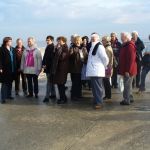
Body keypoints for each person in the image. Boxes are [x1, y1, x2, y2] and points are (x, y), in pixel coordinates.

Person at [86, 33, 109, 109]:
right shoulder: (93, 46)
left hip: (97, 70)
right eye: (92, 37)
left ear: (97, 38)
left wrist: (104, 66)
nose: (92, 39)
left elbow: (105, 58)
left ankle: (99, 102)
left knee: (98, 87)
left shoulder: (99, 46)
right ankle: (96, 100)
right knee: (94, 87)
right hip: (93, 70)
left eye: (94, 38)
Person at [119, 32, 137, 105]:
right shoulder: (126, 45)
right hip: (127, 69)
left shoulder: (129, 46)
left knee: (126, 85)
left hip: (128, 70)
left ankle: (126, 100)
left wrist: (127, 70)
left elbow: (131, 60)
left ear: (126, 37)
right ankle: (130, 98)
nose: (121, 38)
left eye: (122, 37)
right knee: (128, 85)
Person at [69, 36, 88, 101]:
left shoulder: (83, 48)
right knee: (75, 83)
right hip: (74, 68)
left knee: (80, 83)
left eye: (78, 40)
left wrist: (85, 59)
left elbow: (86, 57)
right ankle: (74, 96)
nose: (77, 42)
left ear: (81, 41)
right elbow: (70, 57)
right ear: (74, 41)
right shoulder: (72, 48)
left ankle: (79, 95)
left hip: (82, 68)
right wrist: (73, 52)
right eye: (76, 40)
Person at [51, 36, 69, 104]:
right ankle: (63, 98)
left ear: (63, 41)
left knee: (61, 84)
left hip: (62, 69)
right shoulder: (60, 48)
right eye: (58, 40)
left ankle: (63, 99)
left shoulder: (65, 48)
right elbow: (55, 56)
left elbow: (62, 57)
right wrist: (56, 50)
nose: (58, 42)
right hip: (58, 69)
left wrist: (57, 49)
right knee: (59, 84)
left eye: (59, 41)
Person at [0, 37, 16, 104]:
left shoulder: (13, 49)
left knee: (10, 83)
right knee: (4, 84)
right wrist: (0, 68)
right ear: (6, 42)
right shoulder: (1, 49)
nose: (11, 42)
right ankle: (3, 98)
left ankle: (8, 95)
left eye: (11, 41)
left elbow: (15, 59)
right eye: (9, 41)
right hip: (5, 69)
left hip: (12, 69)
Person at [42, 36, 56, 103]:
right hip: (49, 67)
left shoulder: (52, 47)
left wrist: (45, 65)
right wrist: (44, 64)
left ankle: (47, 97)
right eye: (46, 40)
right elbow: (45, 57)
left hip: (50, 68)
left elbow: (51, 59)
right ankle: (53, 94)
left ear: (52, 40)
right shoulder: (49, 46)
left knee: (49, 83)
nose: (47, 41)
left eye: (48, 40)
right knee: (51, 82)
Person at [102, 36, 113, 102]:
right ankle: (107, 95)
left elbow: (107, 60)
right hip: (108, 67)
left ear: (106, 41)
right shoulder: (107, 47)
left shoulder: (107, 49)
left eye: (103, 40)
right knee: (106, 81)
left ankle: (108, 96)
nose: (102, 41)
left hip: (107, 67)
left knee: (106, 82)